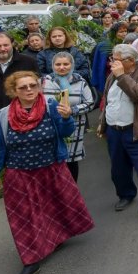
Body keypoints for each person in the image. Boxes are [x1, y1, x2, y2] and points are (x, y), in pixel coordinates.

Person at [0, 70, 94, 274]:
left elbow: (65, 132)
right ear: (13, 91)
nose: (29, 90)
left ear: (38, 86)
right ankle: (30, 260)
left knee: (54, 206)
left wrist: (66, 118)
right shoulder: (4, 114)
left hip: (51, 168)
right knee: (24, 217)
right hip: (19, 173)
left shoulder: (51, 106)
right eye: (23, 87)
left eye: (32, 86)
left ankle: (55, 237)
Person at [97, 44, 138, 223]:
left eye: (117, 60)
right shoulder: (112, 75)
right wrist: (103, 124)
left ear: (130, 61)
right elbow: (108, 100)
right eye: (113, 59)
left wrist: (121, 76)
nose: (113, 63)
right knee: (118, 169)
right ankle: (126, 194)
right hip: (115, 131)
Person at [40, 52, 95, 180]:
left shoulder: (80, 82)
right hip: (50, 127)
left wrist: (72, 110)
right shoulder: (44, 82)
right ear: (52, 65)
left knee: (71, 162)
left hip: (74, 127)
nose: (62, 67)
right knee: (54, 162)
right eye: (58, 64)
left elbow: (90, 103)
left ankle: (72, 193)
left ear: (72, 65)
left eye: (66, 64)